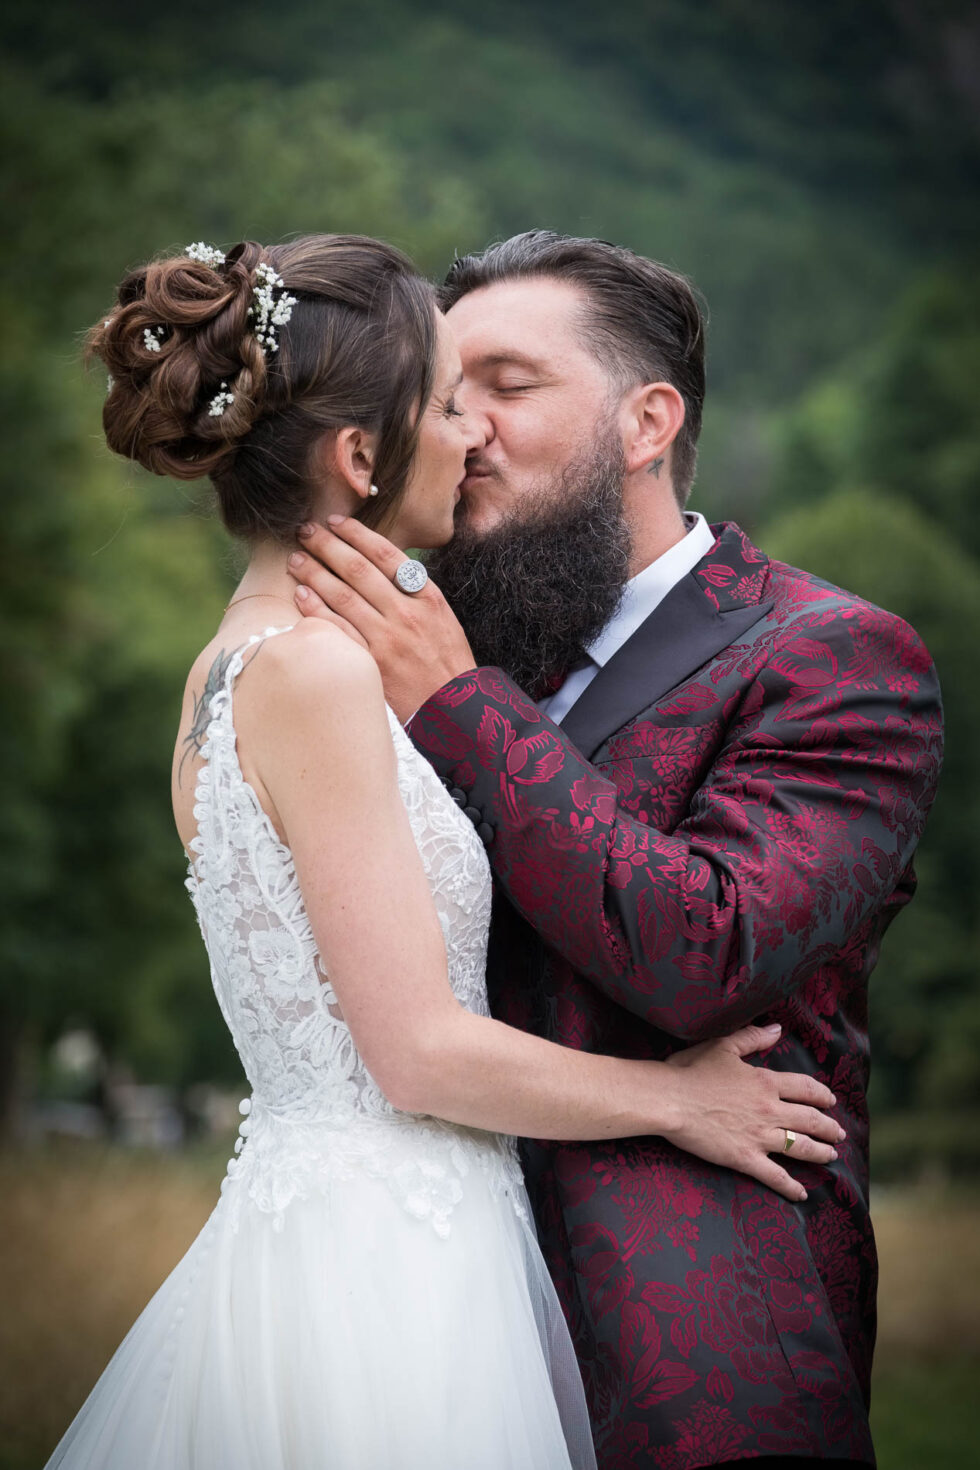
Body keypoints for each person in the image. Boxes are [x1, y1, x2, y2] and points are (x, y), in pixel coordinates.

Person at [45, 235, 841, 1470]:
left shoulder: (234, 666)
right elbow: (413, 1052)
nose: (470, 437)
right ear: (359, 457)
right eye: (445, 405)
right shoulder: (313, 673)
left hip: (357, 1219)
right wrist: (679, 1101)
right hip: (389, 1259)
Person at [288, 231, 944, 1469]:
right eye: (444, 389)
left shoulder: (833, 658)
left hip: (699, 1358)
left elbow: (712, 950)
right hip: (423, 1333)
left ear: (645, 423)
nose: (462, 427)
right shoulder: (407, 660)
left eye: (508, 385)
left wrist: (459, 707)